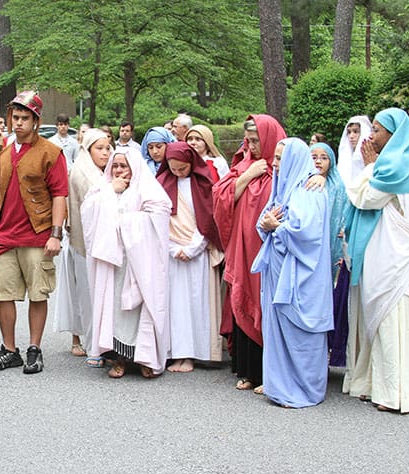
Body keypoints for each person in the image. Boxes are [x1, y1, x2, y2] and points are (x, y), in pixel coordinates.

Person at [343, 107, 409, 413]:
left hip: (395, 255)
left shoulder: (397, 164)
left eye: (377, 130)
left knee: (391, 316)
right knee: (379, 318)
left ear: (394, 134)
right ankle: (375, 383)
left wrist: (371, 166)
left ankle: (396, 391)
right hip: (385, 249)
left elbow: (365, 197)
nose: (371, 136)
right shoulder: (392, 162)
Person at [0, 90, 68, 374]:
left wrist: (56, 233)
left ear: (36, 121)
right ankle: (9, 350)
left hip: (38, 233)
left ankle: (34, 348)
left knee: (37, 294)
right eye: (15, 117)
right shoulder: (3, 155)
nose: (18, 123)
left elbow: (59, 195)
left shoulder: (51, 153)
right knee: (2, 293)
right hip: (4, 236)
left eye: (24, 118)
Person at [251, 138, 333, 408]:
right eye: (274, 158)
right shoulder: (284, 188)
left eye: (279, 159)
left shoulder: (310, 188)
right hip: (278, 271)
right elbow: (268, 219)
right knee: (278, 329)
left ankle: (304, 390)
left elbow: (308, 234)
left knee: (299, 329)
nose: (274, 164)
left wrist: (277, 227)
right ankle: (280, 384)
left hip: (301, 274)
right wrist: (267, 224)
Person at [81, 148, 171, 378]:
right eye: (116, 166)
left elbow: (159, 215)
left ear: (134, 166)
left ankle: (145, 359)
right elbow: (88, 212)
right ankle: (118, 359)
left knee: (142, 309)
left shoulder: (148, 188)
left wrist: (125, 222)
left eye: (124, 165)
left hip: (140, 262)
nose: (119, 170)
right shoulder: (102, 189)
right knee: (114, 310)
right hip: (114, 264)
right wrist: (111, 192)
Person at [212, 114, 286, 392]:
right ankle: (248, 369)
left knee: (266, 303)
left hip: (269, 249)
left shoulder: (282, 168)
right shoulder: (244, 166)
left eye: (257, 140)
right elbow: (222, 198)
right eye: (249, 140)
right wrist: (248, 175)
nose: (253, 146)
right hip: (242, 249)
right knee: (241, 297)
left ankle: (271, 371)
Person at [158, 142, 224, 372]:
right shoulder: (161, 185)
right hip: (171, 253)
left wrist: (194, 247)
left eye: (182, 169)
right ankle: (174, 353)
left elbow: (209, 219)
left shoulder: (204, 184)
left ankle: (194, 353)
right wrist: (172, 248)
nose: (177, 173)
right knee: (174, 305)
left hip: (197, 254)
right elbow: (155, 220)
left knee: (196, 303)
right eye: (173, 169)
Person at [53, 128, 112, 365]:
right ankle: (93, 346)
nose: (106, 153)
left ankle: (100, 342)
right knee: (89, 297)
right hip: (85, 243)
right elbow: (100, 204)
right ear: (87, 150)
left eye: (108, 147)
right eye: (99, 148)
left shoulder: (100, 170)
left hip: (97, 242)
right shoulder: (84, 173)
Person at [308, 142, 350, 368]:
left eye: (324, 157)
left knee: (332, 302)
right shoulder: (306, 183)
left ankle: (331, 349)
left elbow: (344, 216)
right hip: (313, 250)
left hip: (333, 248)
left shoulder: (338, 184)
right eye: (314, 157)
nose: (318, 161)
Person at [337, 116, 372, 186]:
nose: (351, 136)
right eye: (349, 132)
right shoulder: (345, 158)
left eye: (355, 132)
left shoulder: (374, 157)